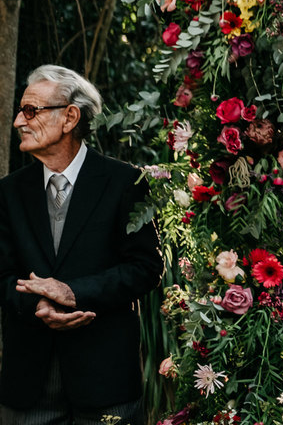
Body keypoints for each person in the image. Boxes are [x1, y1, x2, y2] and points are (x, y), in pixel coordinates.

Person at [0, 65, 163, 425]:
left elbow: (146, 268)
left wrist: (74, 292)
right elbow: (1, 275)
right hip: (28, 384)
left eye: (31, 110)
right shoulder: (8, 192)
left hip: (106, 380)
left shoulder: (125, 182)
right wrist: (38, 303)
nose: (18, 122)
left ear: (70, 117)